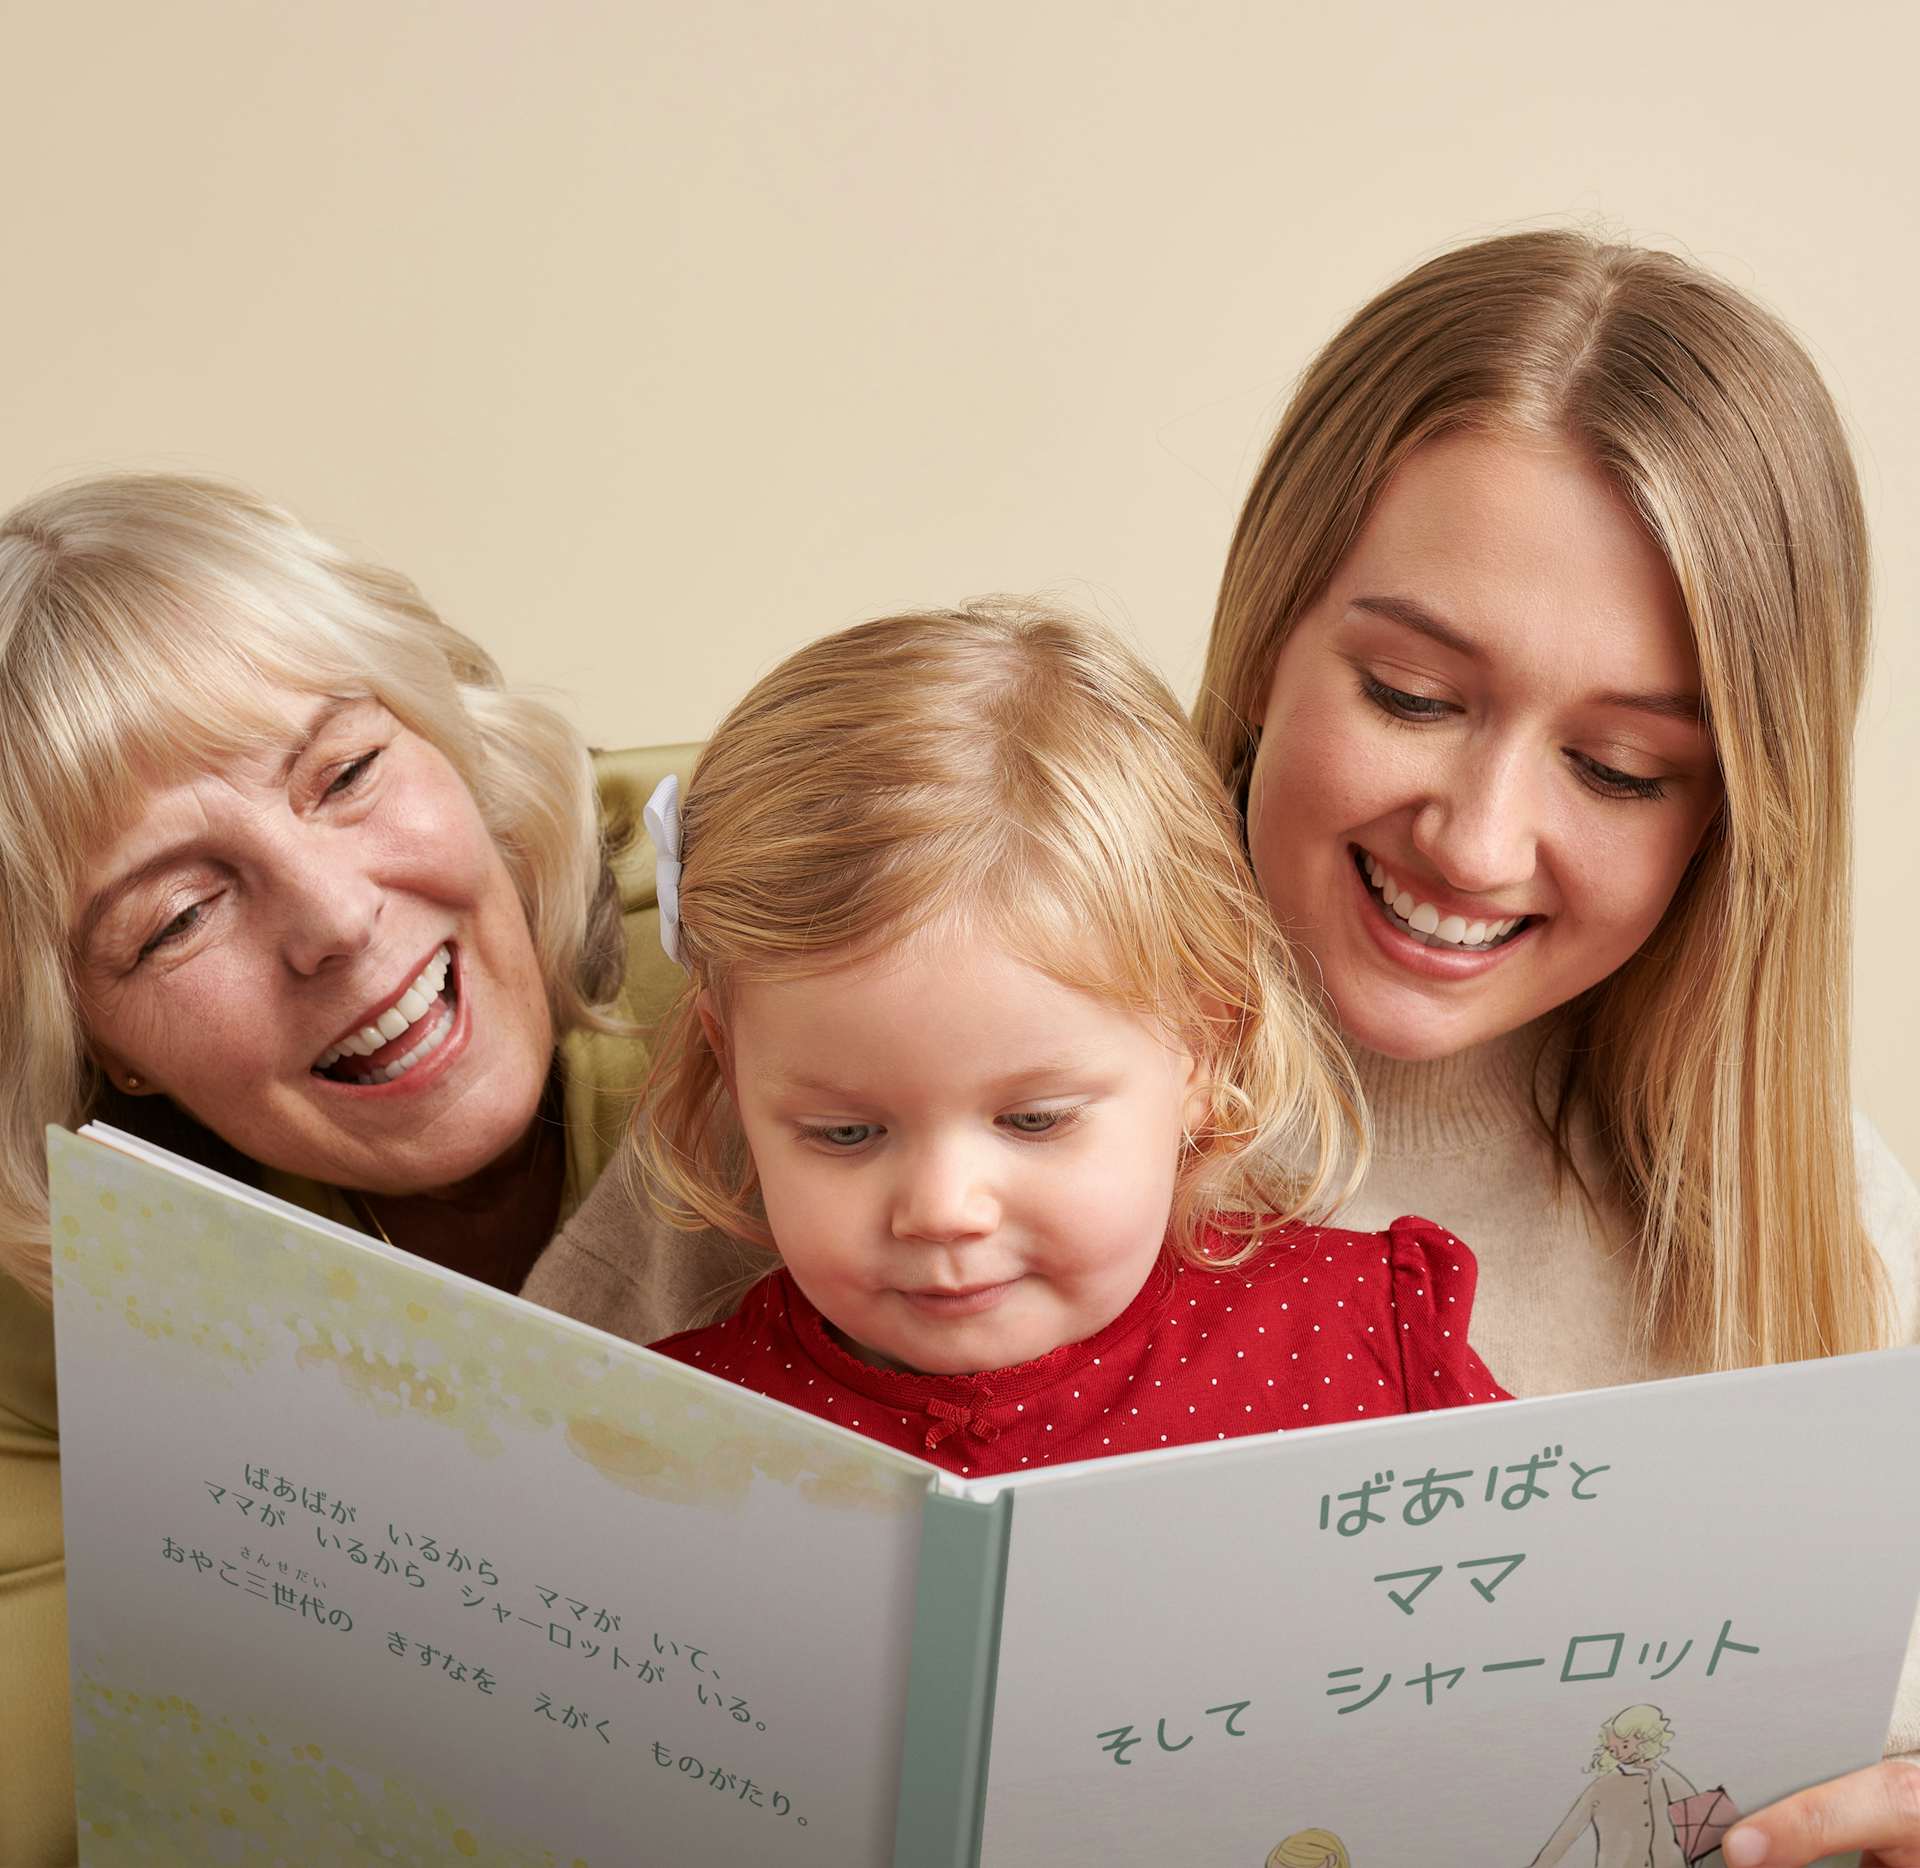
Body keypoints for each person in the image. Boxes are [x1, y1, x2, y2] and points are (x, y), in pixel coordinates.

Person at [1190, 230, 1920, 1866]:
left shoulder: (1821, 1228)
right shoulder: (912, 1058)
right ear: (1262, 641)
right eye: (1412, 691)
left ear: (1732, 820)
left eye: (1619, 768)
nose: (1481, 839)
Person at [0, 474, 742, 1866]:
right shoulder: (47, 1260)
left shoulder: (778, 922)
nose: (334, 919)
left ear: (456, 741)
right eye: (175, 917)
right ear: (95, 1044)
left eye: (345, 774)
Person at [613, 601, 1509, 1472]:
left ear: (1204, 1045)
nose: (943, 1211)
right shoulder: (660, 1436)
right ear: (732, 1070)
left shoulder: (1361, 1347)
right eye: (846, 1133)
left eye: (1034, 1121)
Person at [1526, 1704, 1700, 1868]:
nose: (1618, 1753)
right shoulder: (1602, 1787)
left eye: (1624, 1745)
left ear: (1646, 1738)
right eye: (1611, 1749)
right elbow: (1567, 1833)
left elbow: (1701, 1824)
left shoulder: (1668, 1779)